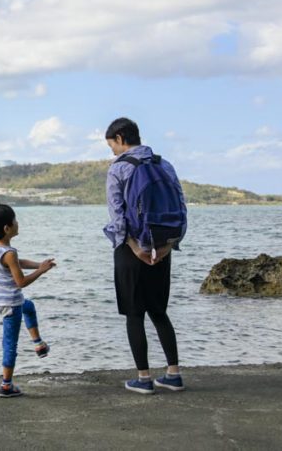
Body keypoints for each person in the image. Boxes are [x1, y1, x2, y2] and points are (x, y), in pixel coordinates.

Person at [104, 117, 187, 394]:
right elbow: (181, 209)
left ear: (120, 138)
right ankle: (173, 374)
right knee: (159, 311)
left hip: (132, 251)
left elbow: (117, 216)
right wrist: (168, 246)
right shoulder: (164, 165)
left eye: (111, 145)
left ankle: (143, 378)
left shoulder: (119, 168)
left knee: (134, 314)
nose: (112, 151)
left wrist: (133, 246)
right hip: (161, 246)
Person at [0, 203, 56, 397]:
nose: (18, 223)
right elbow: (21, 282)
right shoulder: (9, 253)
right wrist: (41, 271)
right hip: (10, 303)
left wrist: (39, 264)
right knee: (10, 343)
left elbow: (17, 263)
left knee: (28, 306)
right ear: (7, 228)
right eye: (15, 220)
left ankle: (38, 343)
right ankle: (6, 385)